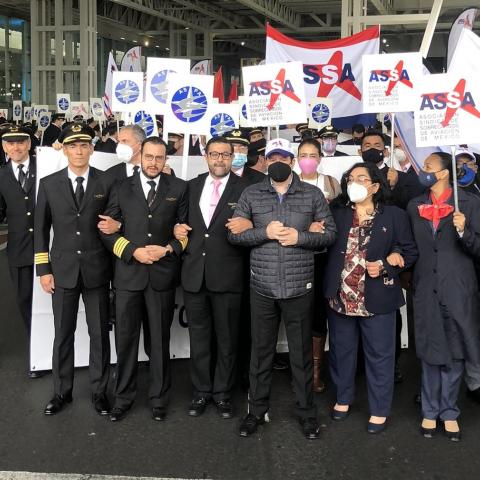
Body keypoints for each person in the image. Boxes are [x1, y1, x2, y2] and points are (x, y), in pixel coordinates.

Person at [228, 138, 337, 439]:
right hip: (262, 287)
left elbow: (329, 234)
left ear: (291, 161)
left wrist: (300, 237)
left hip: (299, 287)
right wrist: (265, 232)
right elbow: (235, 236)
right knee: (260, 353)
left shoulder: (311, 194)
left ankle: (306, 412)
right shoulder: (251, 193)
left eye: (283, 157)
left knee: (301, 355)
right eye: (272, 156)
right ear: (265, 160)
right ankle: (255, 411)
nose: (278, 161)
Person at [324, 162, 417, 434]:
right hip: (340, 296)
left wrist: (389, 263)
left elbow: (409, 251)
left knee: (380, 355)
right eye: (351, 178)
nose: (355, 182)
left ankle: (379, 408)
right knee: (342, 352)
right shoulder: (337, 212)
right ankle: (343, 398)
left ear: (375, 186)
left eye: (362, 178)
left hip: (377, 297)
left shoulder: (394, 215)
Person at [100, 137, 188, 422]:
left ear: (166, 160)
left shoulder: (179, 188)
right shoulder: (121, 187)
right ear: (140, 157)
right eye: (149, 157)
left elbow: (186, 232)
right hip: (128, 276)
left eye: (159, 158)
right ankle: (122, 397)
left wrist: (168, 249)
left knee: (159, 342)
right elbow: (106, 229)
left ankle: (159, 398)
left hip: (161, 277)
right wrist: (132, 251)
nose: (153, 163)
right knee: (125, 341)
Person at [34, 123, 113, 416]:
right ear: (64, 149)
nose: (79, 151)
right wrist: (44, 269)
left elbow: (114, 220)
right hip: (63, 270)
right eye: (73, 146)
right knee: (63, 334)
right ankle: (61, 392)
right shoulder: (49, 183)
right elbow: (41, 230)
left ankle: (99, 391)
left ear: (91, 149)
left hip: (96, 269)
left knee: (99, 335)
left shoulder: (106, 181)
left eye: (84, 145)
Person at [175, 137, 249, 419]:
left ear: (233, 157)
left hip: (229, 276)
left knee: (227, 340)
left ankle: (222, 393)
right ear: (205, 156)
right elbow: (179, 221)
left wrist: (250, 223)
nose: (220, 160)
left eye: (225, 155)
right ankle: (201, 392)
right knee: (199, 338)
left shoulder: (246, 189)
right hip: (195, 275)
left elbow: (254, 224)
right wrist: (176, 228)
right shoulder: (191, 187)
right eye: (215, 154)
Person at [407, 152, 480, 441]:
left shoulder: (470, 203)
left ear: (444, 173)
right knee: (429, 350)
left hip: (458, 289)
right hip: (426, 287)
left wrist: (465, 232)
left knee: (456, 351)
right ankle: (429, 411)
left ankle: (449, 411)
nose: (423, 171)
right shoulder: (415, 205)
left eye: (428, 167)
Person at [297, 138, 341, 392]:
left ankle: (315, 372)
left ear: (320, 158)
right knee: (297, 313)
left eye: (313, 154)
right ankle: (298, 368)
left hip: (324, 256)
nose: (308, 159)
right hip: (296, 255)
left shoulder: (331, 184)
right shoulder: (288, 183)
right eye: (303, 154)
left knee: (318, 314)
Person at [0, 126, 44, 378]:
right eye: (10, 143)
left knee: (57, 298)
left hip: (48, 246)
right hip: (18, 250)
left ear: (29, 144)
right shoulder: (1, 175)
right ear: (4, 147)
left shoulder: (46, 166)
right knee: (25, 300)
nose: (15, 147)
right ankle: (36, 350)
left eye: (20, 142)